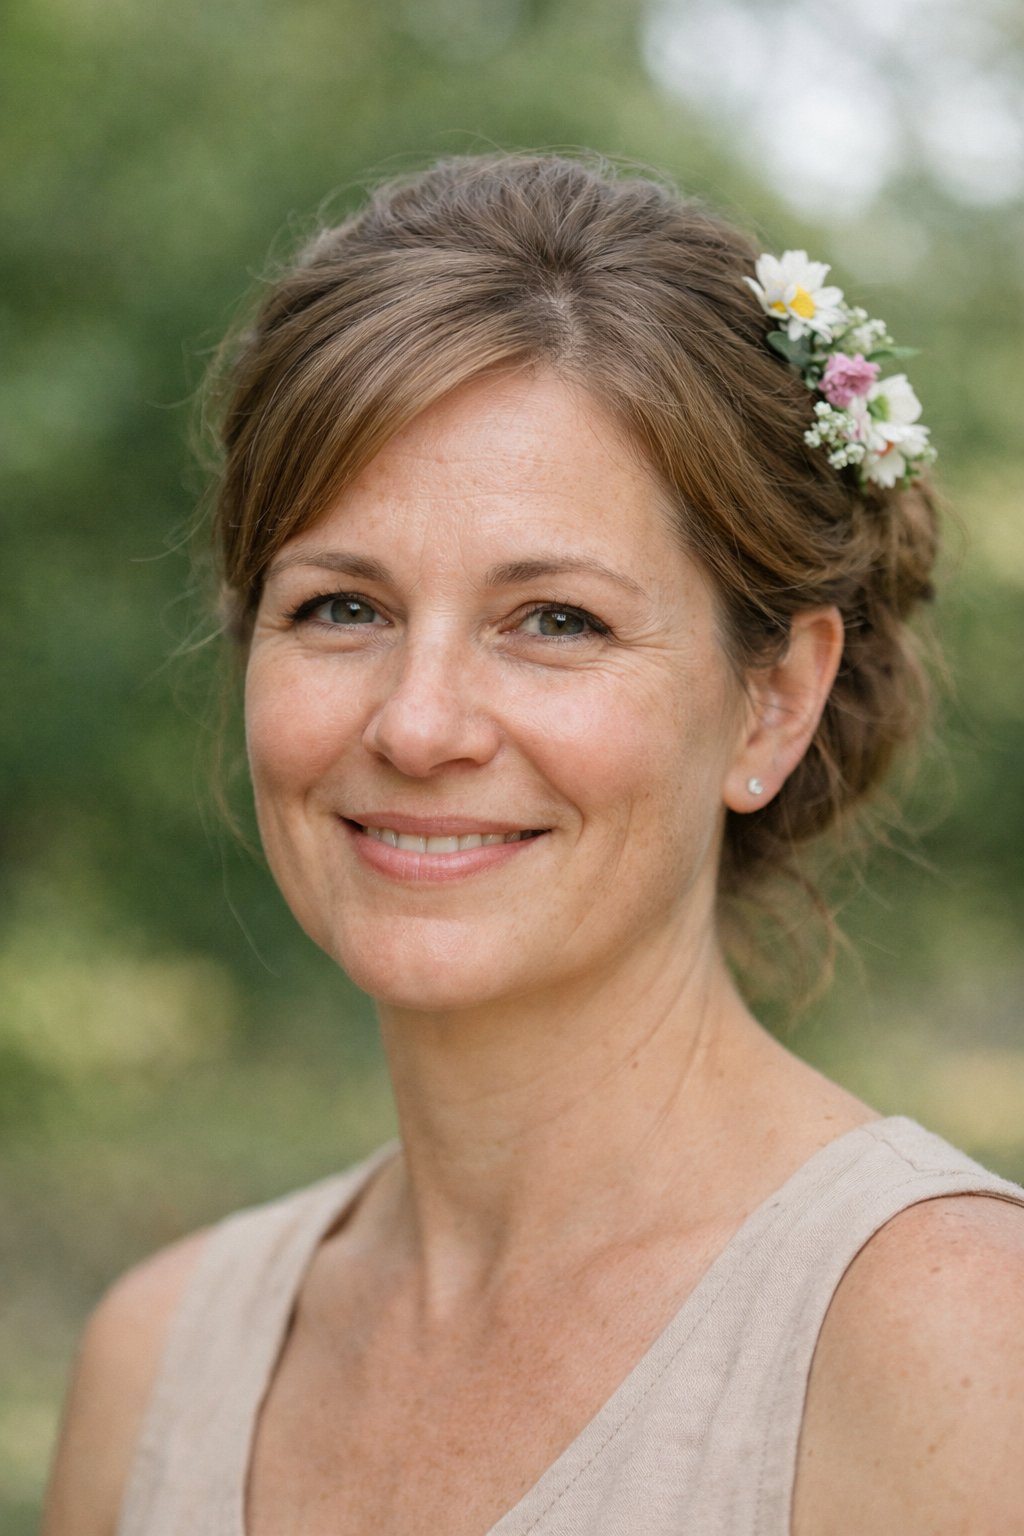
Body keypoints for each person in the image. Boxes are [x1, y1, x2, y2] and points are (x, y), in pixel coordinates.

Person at [44, 153, 1024, 1536]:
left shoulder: (958, 1350)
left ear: (775, 700)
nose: (420, 721)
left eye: (555, 619)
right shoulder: (156, 1365)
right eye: (341, 608)